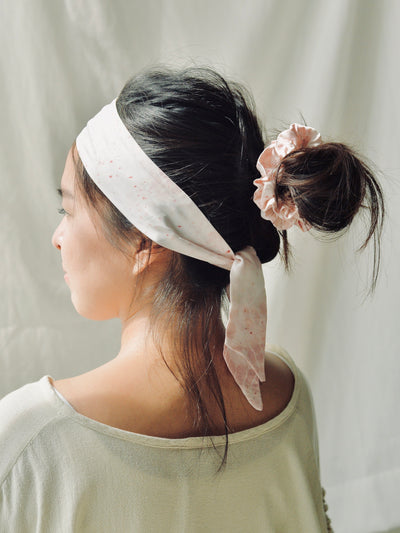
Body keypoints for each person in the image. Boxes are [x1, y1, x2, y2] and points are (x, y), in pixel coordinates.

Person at [0, 66, 384, 532]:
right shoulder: (288, 398)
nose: (58, 237)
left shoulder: (28, 441)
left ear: (145, 240)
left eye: (69, 209)